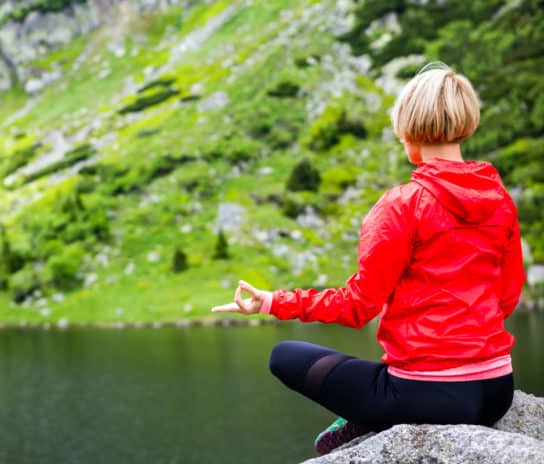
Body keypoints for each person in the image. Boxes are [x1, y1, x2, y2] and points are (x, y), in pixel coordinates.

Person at [210, 62, 526, 456]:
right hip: (497, 389)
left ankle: (368, 416)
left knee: (284, 355)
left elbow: (359, 306)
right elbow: (509, 296)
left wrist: (274, 301)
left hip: (430, 396)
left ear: (409, 129)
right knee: (379, 376)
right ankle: (373, 409)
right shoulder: (499, 200)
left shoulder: (403, 204)